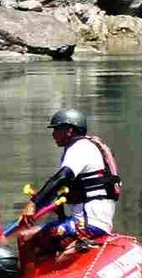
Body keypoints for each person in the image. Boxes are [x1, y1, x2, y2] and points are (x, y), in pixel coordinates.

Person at [15, 109, 121, 269]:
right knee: (44, 237)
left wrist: (34, 203)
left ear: (69, 130)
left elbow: (62, 177)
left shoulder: (79, 148)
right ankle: (48, 273)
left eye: (57, 129)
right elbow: (73, 187)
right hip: (97, 221)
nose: (53, 134)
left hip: (87, 224)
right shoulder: (91, 146)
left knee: (25, 237)